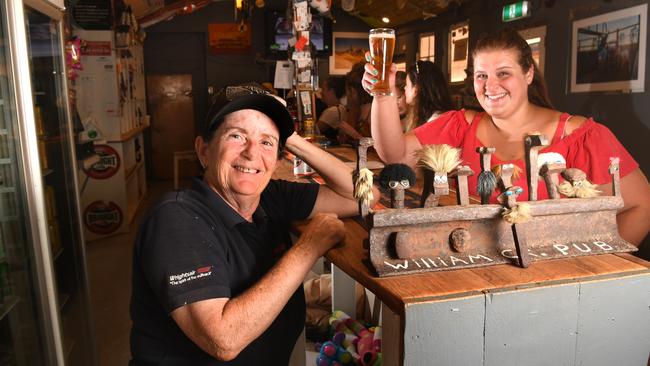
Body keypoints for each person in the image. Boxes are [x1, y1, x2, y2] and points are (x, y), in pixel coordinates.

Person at [130, 84, 378, 364]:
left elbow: (364, 196)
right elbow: (223, 340)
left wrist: (292, 138)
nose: (251, 153)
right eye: (237, 136)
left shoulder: (268, 196)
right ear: (203, 151)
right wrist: (309, 246)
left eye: (266, 142)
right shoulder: (176, 220)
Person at [362, 28, 650, 247]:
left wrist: (593, 266)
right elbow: (394, 155)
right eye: (481, 76)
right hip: (478, 274)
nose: (490, 86)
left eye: (503, 73)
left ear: (528, 73)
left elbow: (642, 207)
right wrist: (382, 92)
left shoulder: (579, 135)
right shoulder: (461, 125)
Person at [402, 60, 454, 131]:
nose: (404, 88)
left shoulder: (434, 122)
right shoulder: (426, 117)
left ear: (416, 89)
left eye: (406, 84)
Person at [317, 75, 348, 142]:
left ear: (332, 91)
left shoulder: (332, 111)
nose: (321, 92)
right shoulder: (341, 107)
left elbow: (314, 130)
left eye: (323, 89)